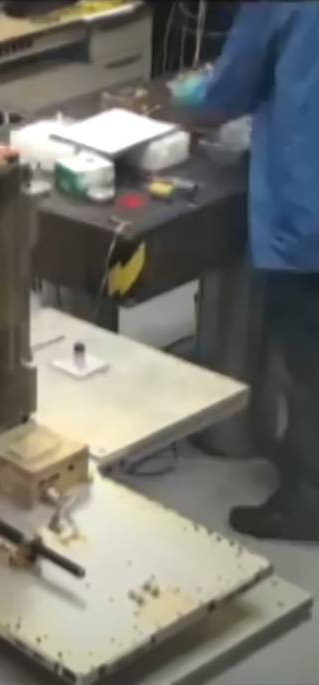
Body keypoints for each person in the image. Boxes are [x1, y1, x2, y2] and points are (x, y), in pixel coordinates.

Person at [171, 4, 319, 541]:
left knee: (308, 361)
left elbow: (230, 90)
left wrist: (187, 99)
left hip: (308, 204)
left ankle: (307, 503)